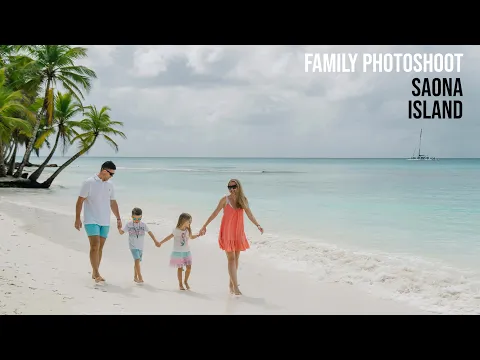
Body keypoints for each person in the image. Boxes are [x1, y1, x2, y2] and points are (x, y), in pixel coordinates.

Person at [199, 179, 263, 296]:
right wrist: (204, 226)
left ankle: (231, 284)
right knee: (231, 259)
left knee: (236, 258)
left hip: (238, 233)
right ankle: (235, 287)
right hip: (227, 233)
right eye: (229, 187)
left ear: (239, 187)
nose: (231, 189)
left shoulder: (243, 200)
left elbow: (249, 214)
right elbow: (214, 213)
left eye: (234, 186)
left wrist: (257, 225)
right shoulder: (225, 200)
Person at [74, 160, 122, 284]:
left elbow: (113, 202)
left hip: (105, 220)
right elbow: (80, 201)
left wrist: (118, 218)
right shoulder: (89, 182)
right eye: (111, 174)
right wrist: (77, 218)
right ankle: (96, 273)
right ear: (104, 171)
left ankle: (96, 271)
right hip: (91, 219)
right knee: (94, 245)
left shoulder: (110, 185)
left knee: (100, 248)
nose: (112, 177)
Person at [158, 213, 201, 290]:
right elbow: (169, 237)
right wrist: (160, 242)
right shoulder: (176, 230)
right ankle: (180, 284)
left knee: (189, 268)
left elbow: (191, 237)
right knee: (180, 268)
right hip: (178, 252)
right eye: (189, 221)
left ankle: (185, 281)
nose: (190, 223)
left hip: (186, 252)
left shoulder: (188, 230)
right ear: (183, 221)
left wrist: (198, 235)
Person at [118, 207, 160, 284]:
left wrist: (155, 241)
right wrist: (119, 228)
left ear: (141, 217)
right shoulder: (129, 225)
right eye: (135, 219)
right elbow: (121, 232)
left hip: (140, 247)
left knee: (137, 262)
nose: (137, 220)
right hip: (133, 246)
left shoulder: (143, 225)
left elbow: (150, 232)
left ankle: (135, 277)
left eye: (139, 219)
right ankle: (140, 276)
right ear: (132, 217)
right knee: (137, 259)